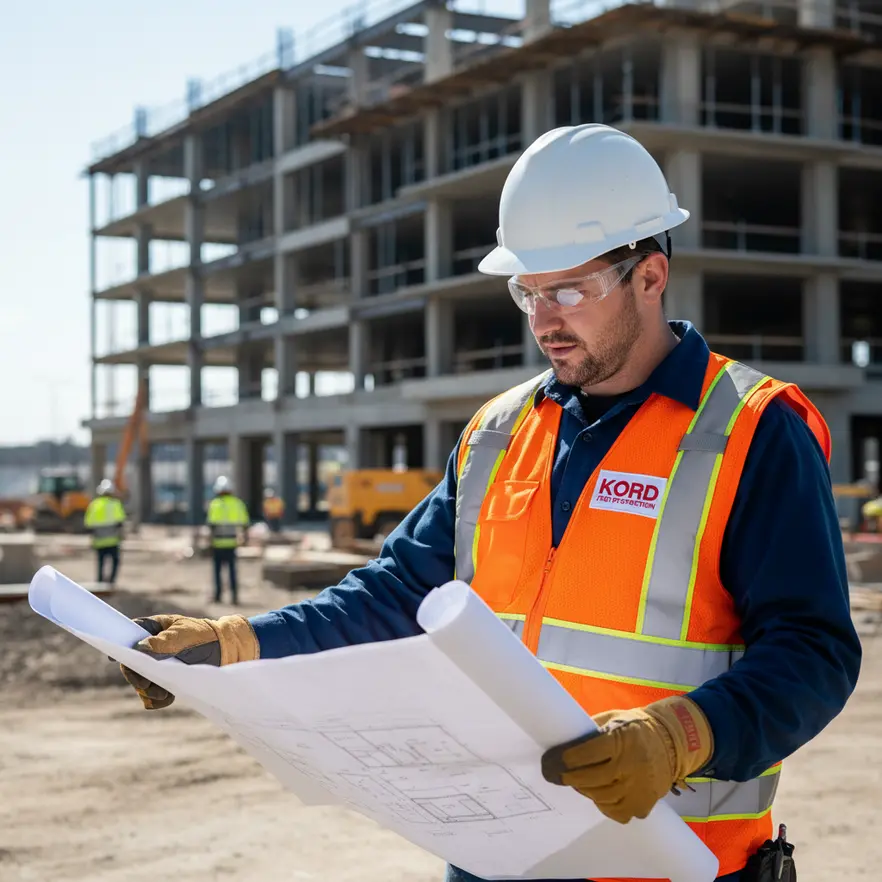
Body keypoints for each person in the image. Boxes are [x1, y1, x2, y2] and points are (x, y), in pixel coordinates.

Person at [118, 125, 861, 882]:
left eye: (568, 289)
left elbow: (815, 651)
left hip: (675, 863)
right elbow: (398, 592)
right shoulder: (497, 434)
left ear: (650, 276)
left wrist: (682, 736)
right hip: (500, 859)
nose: (544, 321)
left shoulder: (752, 431)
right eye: (527, 293)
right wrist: (238, 643)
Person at [205, 476, 249, 604]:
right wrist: (245, 538)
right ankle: (234, 596)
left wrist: (209, 541)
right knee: (232, 571)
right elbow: (245, 523)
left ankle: (218, 596)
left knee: (217, 571)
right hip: (231, 543)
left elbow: (211, 526)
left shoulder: (215, 504)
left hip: (218, 544)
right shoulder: (237, 503)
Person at [84, 479, 126, 585]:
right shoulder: (115, 504)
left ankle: (99, 581)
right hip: (113, 540)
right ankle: (111, 581)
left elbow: (88, 523)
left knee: (101, 562)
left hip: (99, 540)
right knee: (115, 561)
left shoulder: (94, 504)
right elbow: (120, 522)